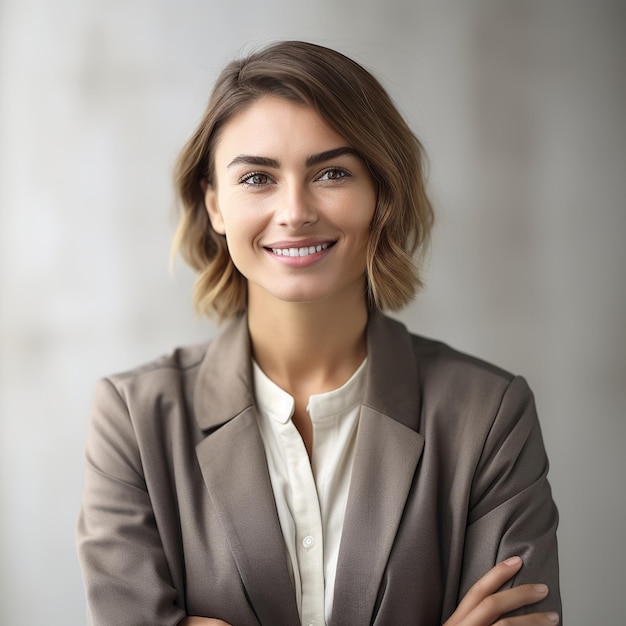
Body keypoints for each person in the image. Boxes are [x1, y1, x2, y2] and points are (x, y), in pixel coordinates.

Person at [76, 41, 561, 625]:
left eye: (332, 172)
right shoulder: (132, 418)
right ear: (215, 205)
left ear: (382, 191)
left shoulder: (488, 414)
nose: (295, 210)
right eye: (257, 178)